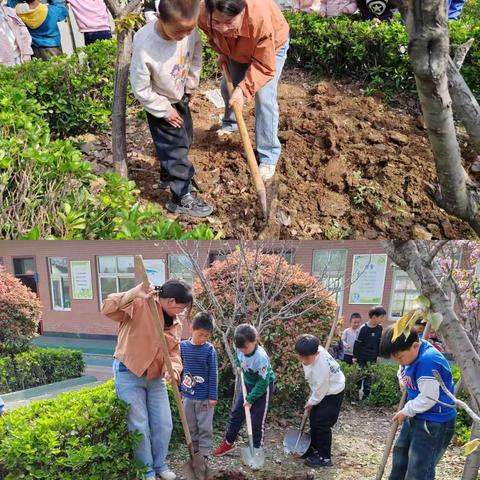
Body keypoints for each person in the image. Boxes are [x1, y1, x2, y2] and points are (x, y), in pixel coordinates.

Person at [102, 279, 193, 480]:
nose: (182, 312)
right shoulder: (141, 303)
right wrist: (134, 292)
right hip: (129, 372)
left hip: (155, 377)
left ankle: (160, 464)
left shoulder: (175, 323)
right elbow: (107, 308)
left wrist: (174, 369)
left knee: (164, 423)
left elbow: (174, 352)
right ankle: (146, 471)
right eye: (181, 307)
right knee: (139, 425)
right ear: (170, 301)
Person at [130, 0, 213, 218]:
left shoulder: (188, 29)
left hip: (180, 94)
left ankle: (169, 175)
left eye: (189, 29)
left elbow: (196, 54)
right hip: (159, 102)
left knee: (184, 138)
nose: (185, 36)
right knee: (175, 148)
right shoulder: (145, 43)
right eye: (178, 32)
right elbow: (140, 87)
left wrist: (191, 85)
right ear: (159, 18)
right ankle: (180, 195)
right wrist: (164, 110)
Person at [198, 0, 290, 181]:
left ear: (242, 11)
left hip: (271, 47)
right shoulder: (203, 12)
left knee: (264, 98)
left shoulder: (260, 19)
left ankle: (268, 155)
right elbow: (211, 33)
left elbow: (264, 66)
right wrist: (222, 51)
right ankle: (230, 124)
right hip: (236, 46)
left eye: (229, 22)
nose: (223, 28)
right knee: (227, 88)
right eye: (217, 22)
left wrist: (243, 89)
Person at [379, 327, 456, 480]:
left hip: (433, 421)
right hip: (417, 413)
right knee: (401, 453)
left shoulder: (428, 360)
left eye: (399, 357)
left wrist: (406, 411)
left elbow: (429, 398)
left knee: (418, 468)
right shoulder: (410, 352)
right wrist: (402, 378)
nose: (398, 362)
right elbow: (403, 367)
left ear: (415, 346)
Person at [213, 323, 276, 457]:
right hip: (247, 385)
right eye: (239, 348)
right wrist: (238, 365)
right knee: (236, 413)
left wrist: (251, 399)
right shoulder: (239, 346)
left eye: (245, 348)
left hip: (263, 387)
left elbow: (263, 382)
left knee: (256, 421)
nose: (242, 350)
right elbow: (238, 358)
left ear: (254, 341)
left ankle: (256, 450)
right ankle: (228, 443)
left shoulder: (261, 357)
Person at [294, 334, 345, 468]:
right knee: (314, 419)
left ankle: (325, 457)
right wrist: (313, 402)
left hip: (332, 392)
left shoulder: (320, 367)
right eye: (300, 356)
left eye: (306, 358)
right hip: (322, 389)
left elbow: (321, 388)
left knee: (322, 424)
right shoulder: (312, 350)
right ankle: (313, 448)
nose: (303, 360)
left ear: (316, 353)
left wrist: (312, 402)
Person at [180, 312, 218, 459]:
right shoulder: (182, 347)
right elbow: (179, 369)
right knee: (190, 425)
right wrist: (179, 390)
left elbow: (213, 374)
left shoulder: (209, 350)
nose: (203, 338)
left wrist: (212, 396)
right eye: (200, 334)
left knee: (205, 426)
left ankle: (204, 453)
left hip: (204, 399)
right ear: (191, 329)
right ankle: (194, 450)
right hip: (187, 395)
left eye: (206, 336)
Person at [353, 305, 385, 398]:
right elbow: (357, 343)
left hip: (373, 356)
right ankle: (355, 395)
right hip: (362, 357)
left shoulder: (379, 328)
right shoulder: (363, 328)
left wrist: (379, 355)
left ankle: (365, 397)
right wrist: (355, 357)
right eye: (381, 317)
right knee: (360, 375)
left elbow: (379, 342)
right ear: (374, 317)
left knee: (369, 376)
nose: (382, 319)